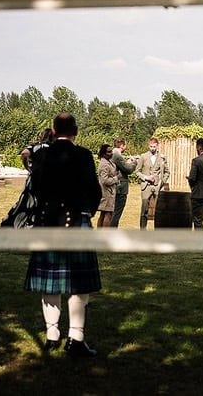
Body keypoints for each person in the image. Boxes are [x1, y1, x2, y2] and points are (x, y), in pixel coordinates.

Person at [24, 113, 102, 357]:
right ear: (75, 131)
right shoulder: (84, 155)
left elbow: (34, 188)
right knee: (79, 285)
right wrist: (87, 211)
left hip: (47, 222)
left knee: (50, 281)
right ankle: (75, 338)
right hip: (78, 220)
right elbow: (95, 190)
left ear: (54, 130)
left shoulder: (42, 155)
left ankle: (52, 334)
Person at [134, 137, 169, 230]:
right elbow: (137, 171)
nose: (152, 148)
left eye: (154, 146)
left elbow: (167, 172)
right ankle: (143, 231)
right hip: (146, 187)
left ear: (157, 146)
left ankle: (157, 232)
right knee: (144, 210)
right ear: (148, 146)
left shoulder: (162, 158)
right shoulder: (143, 156)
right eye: (151, 146)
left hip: (158, 187)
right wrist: (146, 177)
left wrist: (162, 182)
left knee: (158, 211)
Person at [109, 137, 137, 227]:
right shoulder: (117, 155)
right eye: (125, 145)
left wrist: (126, 163)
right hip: (120, 188)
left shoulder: (112, 153)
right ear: (122, 145)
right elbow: (128, 170)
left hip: (114, 186)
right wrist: (134, 162)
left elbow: (120, 167)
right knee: (116, 213)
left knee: (112, 212)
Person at [96, 144, 119, 228]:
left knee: (103, 213)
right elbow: (105, 180)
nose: (111, 153)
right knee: (108, 214)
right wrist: (116, 178)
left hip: (109, 192)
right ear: (103, 153)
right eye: (109, 152)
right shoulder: (104, 164)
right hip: (106, 192)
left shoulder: (109, 162)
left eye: (111, 151)